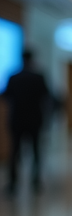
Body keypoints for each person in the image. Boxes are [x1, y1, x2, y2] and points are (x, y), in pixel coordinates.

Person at [2, 50, 49, 194]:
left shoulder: (14, 77)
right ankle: (35, 182)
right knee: (36, 151)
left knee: (15, 152)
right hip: (34, 120)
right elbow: (46, 96)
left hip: (17, 120)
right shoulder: (38, 77)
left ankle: (13, 183)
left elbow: (6, 95)